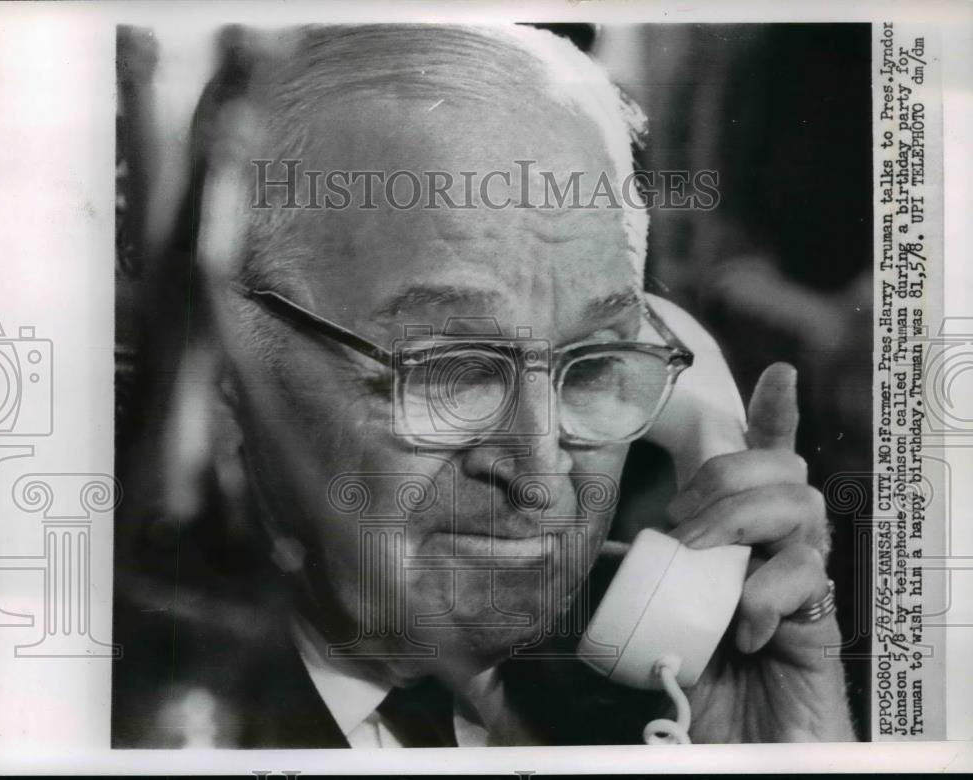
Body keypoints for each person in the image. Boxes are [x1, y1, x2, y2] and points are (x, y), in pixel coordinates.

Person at [112, 23, 855, 747]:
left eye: (593, 367)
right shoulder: (140, 722)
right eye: (454, 371)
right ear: (227, 372)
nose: (539, 478)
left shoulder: (648, 703)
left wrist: (787, 752)